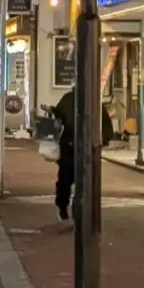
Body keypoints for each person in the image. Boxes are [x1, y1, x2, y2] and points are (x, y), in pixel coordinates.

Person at [51, 87, 115, 221]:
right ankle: (73, 208)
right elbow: (107, 126)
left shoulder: (68, 99)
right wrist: (104, 140)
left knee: (65, 180)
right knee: (82, 180)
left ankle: (66, 206)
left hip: (70, 148)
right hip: (82, 149)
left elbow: (58, 119)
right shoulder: (94, 103)